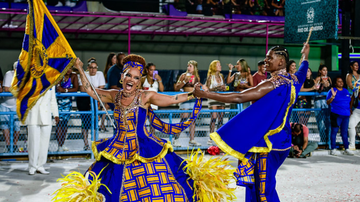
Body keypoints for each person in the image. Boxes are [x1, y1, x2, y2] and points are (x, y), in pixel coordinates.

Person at [67, 54, 221, 202]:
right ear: (122, 77)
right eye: (128, 75)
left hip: (145, 148)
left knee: (152, 187)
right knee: (112, 187)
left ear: (139, 82)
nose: (131, 80)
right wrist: (80, 69)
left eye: (135, 78)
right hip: (118, 149)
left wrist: (194, 94)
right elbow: (90, 90)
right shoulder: (115, 95)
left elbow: (172, 98)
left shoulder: (145, 97)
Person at [194, 43, 310, 201]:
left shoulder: (272, 84)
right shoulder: (295, 80)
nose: (265, 60)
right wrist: (306, 55)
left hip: (268, 144)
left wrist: (207, 94)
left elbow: (240, 97)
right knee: (261, 185)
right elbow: (303, 69)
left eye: (270, 57)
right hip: (282, 143)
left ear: (281, 62)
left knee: (263, 191)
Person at [26, 85, 59, 175]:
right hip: (33, 115)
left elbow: (53, 99)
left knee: (44, 143)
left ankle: (40, 166)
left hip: (46, 115)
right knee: (33, 143)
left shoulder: (51, 81)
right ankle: (32, 166)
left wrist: (56, 114)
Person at [78, 57, 106, 150]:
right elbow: (82, 88)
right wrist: (93, 88)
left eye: (94, 67)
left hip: (95, 100)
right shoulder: (83, 74)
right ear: (88, 68)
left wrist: (89, 88)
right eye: (91, 67)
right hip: (84, 101)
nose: (93, 70)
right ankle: (86, 144)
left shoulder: (100, 74)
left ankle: (95, 143)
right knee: (85, 123)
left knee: (94, 123)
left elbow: (102, 87)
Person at [174, 60, 201, 147]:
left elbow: (198, 89)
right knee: (184, 118)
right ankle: (176, 139)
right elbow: (176, 88)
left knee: (192, 120)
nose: (188, 68)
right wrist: (184, 81)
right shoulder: (183, 75)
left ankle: (192, 140)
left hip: (194, 99)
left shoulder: (197, 77)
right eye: (188, 66)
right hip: (185, 98)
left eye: (190, 66)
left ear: (194, 67)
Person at [326, 76, 354, 156]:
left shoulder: (345, 91)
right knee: (334, 131)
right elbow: (327, 102)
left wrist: (350, 110)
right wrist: (333, 96)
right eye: (339, 81)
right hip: (336, 114)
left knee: (344, 132)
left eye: (342, 81)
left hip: (346, 114)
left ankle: (346, 148)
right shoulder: (332, 91)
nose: (341, 83)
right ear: (335, 83)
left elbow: (349, 101)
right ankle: (333, 148)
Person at [55, 68, 78, 152]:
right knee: (59, 124)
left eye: (71, 67)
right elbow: (58, 88)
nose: (69, 70)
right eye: (67, 67)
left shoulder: (74, 76)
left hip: (68, 104)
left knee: (65, 124)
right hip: (59, 103)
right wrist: (63, 90)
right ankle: (59, 145)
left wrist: (65, 90)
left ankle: (62, 144)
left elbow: (75, 89)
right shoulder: (60, 75)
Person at [0, 62, 20, 153]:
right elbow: (6, 88)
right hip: (5, 105)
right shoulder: (9, 74)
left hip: (16, 106)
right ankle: (8, 145)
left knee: (17, 126)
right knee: (5, 126)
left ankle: (14, 145)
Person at [205, 60, 226, 145]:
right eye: (218, 65)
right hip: (213, 99)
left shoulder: (221, 76)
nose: (220, 66)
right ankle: (210, 137)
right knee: (214, 117)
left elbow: (223, 86)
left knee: (221, 119)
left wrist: (223, 88)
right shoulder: (210, 77)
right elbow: (207, 89)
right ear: (214, 67)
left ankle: (219, 137)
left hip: (221, 98)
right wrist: (217, 88)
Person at [314, 64, 332, 145]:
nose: (325, 72)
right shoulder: (317, 79)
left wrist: (328, 85)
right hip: (319, 100)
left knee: (328, 120)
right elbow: (317, 90)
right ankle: (322, 138)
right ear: (320, 71)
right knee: (320, 121)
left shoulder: (329, 79)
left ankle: (328, 139)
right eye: (324, 70)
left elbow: (332, 89)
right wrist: (321, 84)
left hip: (327, 101)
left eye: (326, 70)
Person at [101, 52, 116, 132]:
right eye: (114, 58)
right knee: (106, 106)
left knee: (107, 106)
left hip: (110, 90)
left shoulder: (114, 68)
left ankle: (102, 124)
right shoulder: (111, 68)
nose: (116, 59)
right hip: (109, 89)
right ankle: (102, 124)